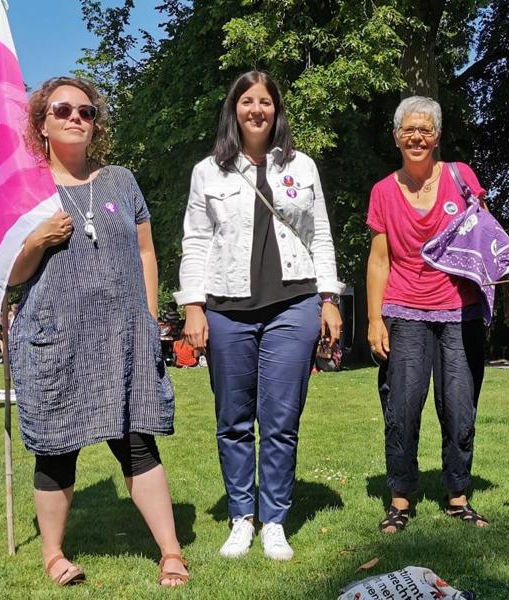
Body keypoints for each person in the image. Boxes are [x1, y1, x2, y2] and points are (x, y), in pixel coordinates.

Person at [8, 76, 187, 586]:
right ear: (41, 123)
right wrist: (37, 240)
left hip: (122, 337)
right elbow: (12, 277)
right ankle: (53, 555)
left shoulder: (120, 180)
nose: (75, 118)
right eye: (63, 110)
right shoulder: (27, 192)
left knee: (136, 441)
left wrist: (149, 318)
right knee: (57, 447)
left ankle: (171, 551)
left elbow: (147, 251)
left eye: (86, 112)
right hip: (57, 339)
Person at [177, 70, 344, 561]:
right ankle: (240, 517)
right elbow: (195, 241)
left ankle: (273, 519)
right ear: (234, 109)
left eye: (265, 102)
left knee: (280, 419)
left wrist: (329, 298)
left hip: (294, 305)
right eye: (247, 101)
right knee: (232, 419)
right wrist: (192, 305)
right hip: (227, 309)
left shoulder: (303, 167)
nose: (256, 109)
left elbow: (321, 236)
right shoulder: (209, 171)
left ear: (276, 110)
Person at [366, 95, 509, 534]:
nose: (417, 137)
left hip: (460, 311)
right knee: (403, 408)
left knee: (459, 407)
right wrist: (375, 319)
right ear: (397, 137)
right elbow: (379, 260)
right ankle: (400, 499)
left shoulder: (460, 177)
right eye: (408, 130)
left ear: (436, 136)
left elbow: (487, 233)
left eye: (425, 129)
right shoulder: (382, 191)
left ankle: (458, 496)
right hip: (403, 310)